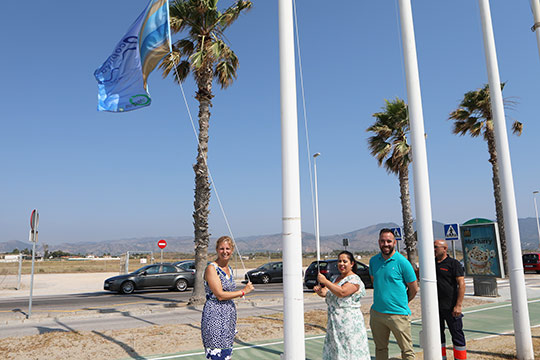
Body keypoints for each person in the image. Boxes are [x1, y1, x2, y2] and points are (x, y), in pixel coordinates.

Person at [201, 236, 254, 360]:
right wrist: (243, 291)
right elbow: (219, 295)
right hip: (215, 316)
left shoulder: (229, 269)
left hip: (228, 316)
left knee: (226, 354)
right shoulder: (211, 268)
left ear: (232, 250)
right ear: (217, 250)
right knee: (216, 354)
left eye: (227, 248)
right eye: (221, 249)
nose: (225, 251)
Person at [369, 228, 418, 360]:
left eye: (389, 241)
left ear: (394, 242)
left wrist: (402, 302)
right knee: (380, 349)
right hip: (377, 314)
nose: (386, 244)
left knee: (407, 351)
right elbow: (376, 282)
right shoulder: (373, 261)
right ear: (379, 242)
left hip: (398, 315)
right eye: (383, 241)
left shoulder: (402, 262)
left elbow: (413, 288)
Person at [314, 250, 370, 360]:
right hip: (334, 322)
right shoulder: (336, 278)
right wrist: (320, 290)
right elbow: (327, 292)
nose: (342, 264)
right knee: (336, 350)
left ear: (352, 263)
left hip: (349, 323)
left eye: (345, 261)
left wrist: (325, 281)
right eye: (339, 261)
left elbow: (342, 292)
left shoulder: (354, 279)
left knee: (349, 350)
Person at [434, 239, 467, 360]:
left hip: (451, 307)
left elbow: (461, 284)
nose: (434, 250)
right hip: (436, 307)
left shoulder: (453, 264)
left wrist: (458, 305)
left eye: (436, 247)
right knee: (438, 335)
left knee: (457, 334)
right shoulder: (431, 264)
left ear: (445, 248)